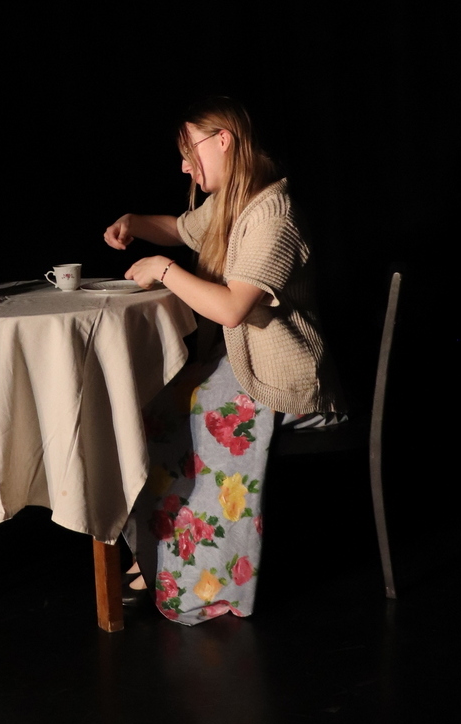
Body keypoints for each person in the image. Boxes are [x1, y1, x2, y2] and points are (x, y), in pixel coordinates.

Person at [103, 97, 345, 625]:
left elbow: (233, 308)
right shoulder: (234, 202)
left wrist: (164, 270)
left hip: (285, 377)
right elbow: (182, 228)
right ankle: (159, 555)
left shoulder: (272, 212)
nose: (184, 166)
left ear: (223, 140)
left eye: (189, 151)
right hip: (242, 364)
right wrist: (135, 223)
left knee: (209, 417)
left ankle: (199, 577)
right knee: (152, 408)